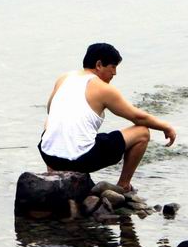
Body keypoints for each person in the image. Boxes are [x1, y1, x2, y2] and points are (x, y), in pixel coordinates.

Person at [38, 43, 176, 191]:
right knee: (142, 132)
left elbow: (50, 108)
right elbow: (138, 117)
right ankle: (123, 185)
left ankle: (53, 173)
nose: (115, 73)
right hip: (81, 160)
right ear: (99, 65)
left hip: (48, 155)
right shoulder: (103, 88)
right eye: (113, 67)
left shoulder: (64, 78)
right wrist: (166, 127)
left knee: (50, 121)